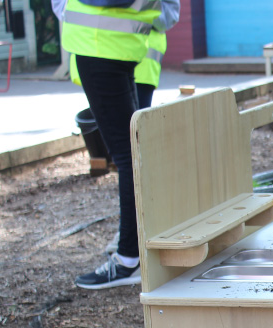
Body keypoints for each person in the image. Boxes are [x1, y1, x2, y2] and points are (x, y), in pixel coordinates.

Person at [52, 0, 179, 289]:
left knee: (128, 158)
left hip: (98, 47)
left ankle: (128, 260)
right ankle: (135, 250)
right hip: (122, 46)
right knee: (133, 155)